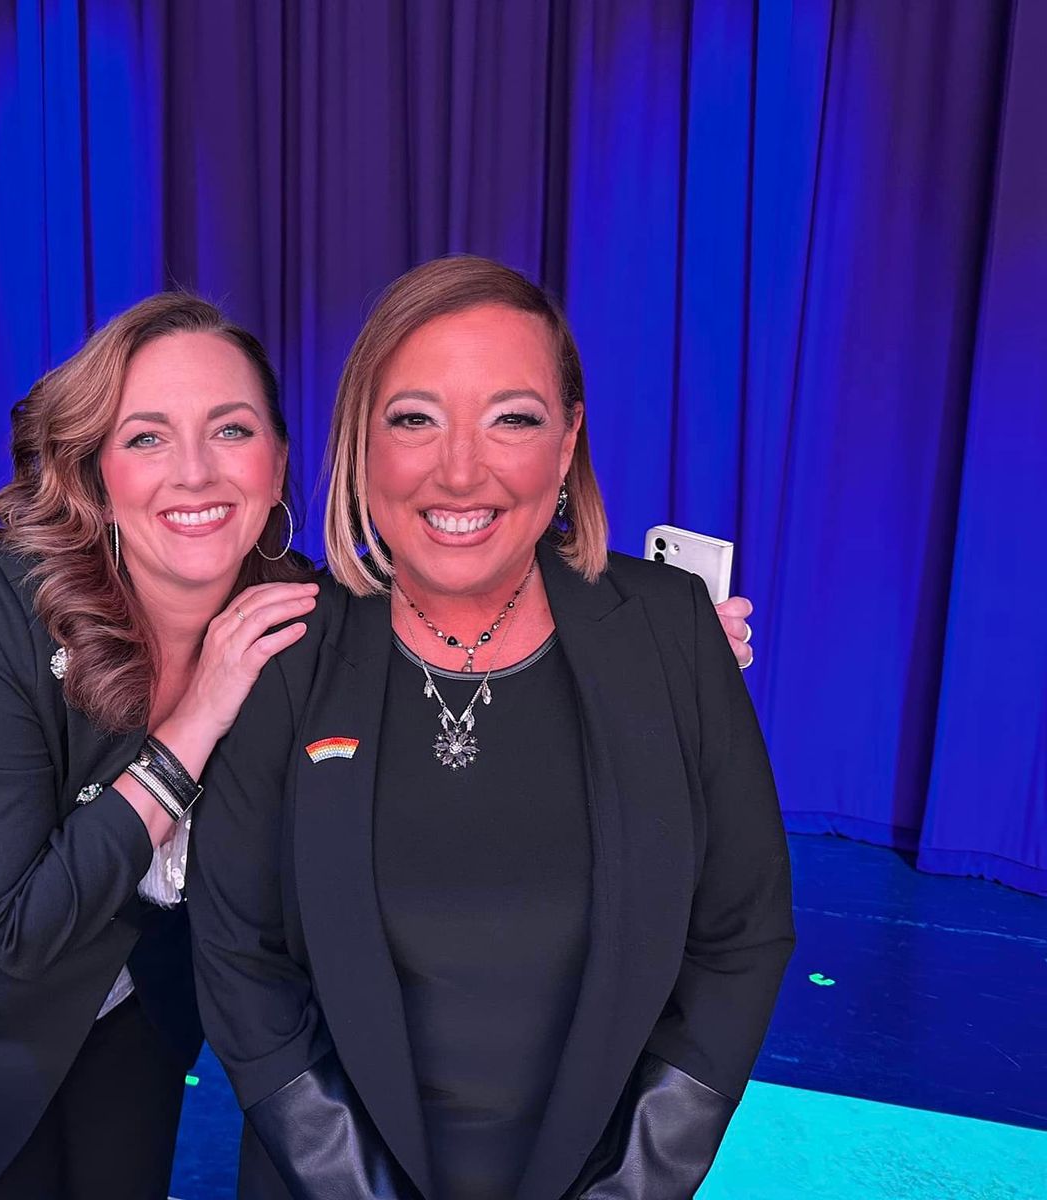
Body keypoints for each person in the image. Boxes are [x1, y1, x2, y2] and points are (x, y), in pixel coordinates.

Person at [188, 256, 793, 1200]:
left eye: (511, 418)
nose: (460, 470)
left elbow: (741, 934)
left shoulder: (674, 628)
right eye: (414, 419)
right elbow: (240, 956)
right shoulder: (284, 646)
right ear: (360, 442)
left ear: (568, 441)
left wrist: (630, 1187)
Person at [0, 293, 321, 1199]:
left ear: (277, 463)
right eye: (147, 437)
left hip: (138, 1011)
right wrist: (197, 718)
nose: (194, 472)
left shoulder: (299, 616)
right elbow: (19, 925)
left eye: (231, 430)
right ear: (95, 473)